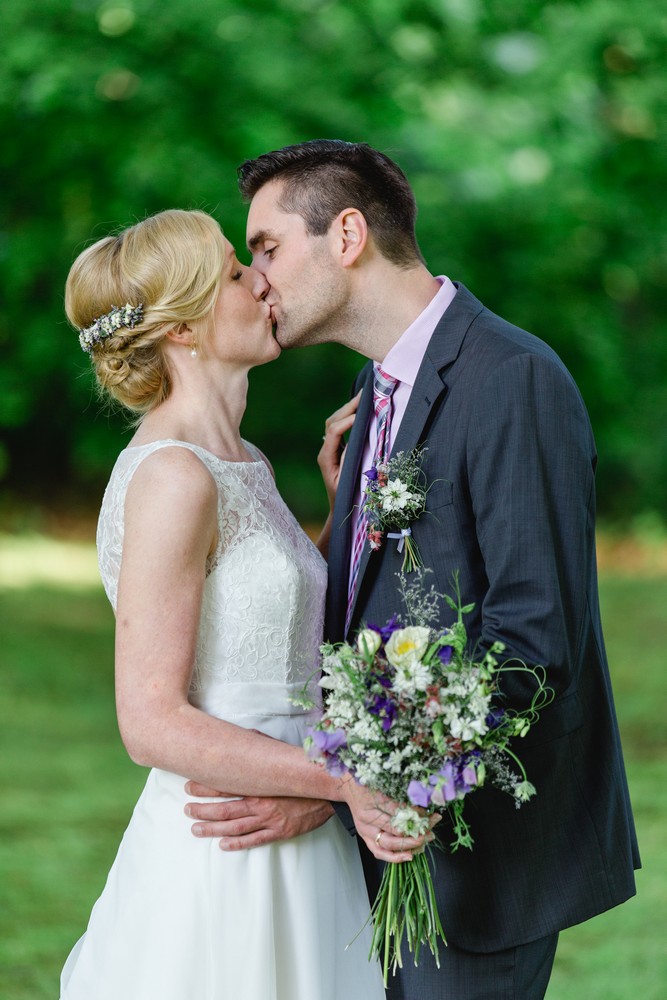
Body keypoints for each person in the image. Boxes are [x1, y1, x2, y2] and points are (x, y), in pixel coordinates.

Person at [185, 141, 640, 1000]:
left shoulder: (513, 378)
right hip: (372, 845)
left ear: (347, 234)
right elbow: (379, 609)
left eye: (268, 246)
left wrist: (339, 795)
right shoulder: (379, 392)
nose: (255, 277)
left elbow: (532, 638)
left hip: (479, 862)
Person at [59, 207, 427, 1000]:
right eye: (234, 272)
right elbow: (149, 720)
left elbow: (269, 629)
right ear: (184, 329)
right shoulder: (172, 476)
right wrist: (342, 782)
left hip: (292, 824)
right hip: (223, 849)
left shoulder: (241, 460)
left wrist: (339, 514)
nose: (261, 280)